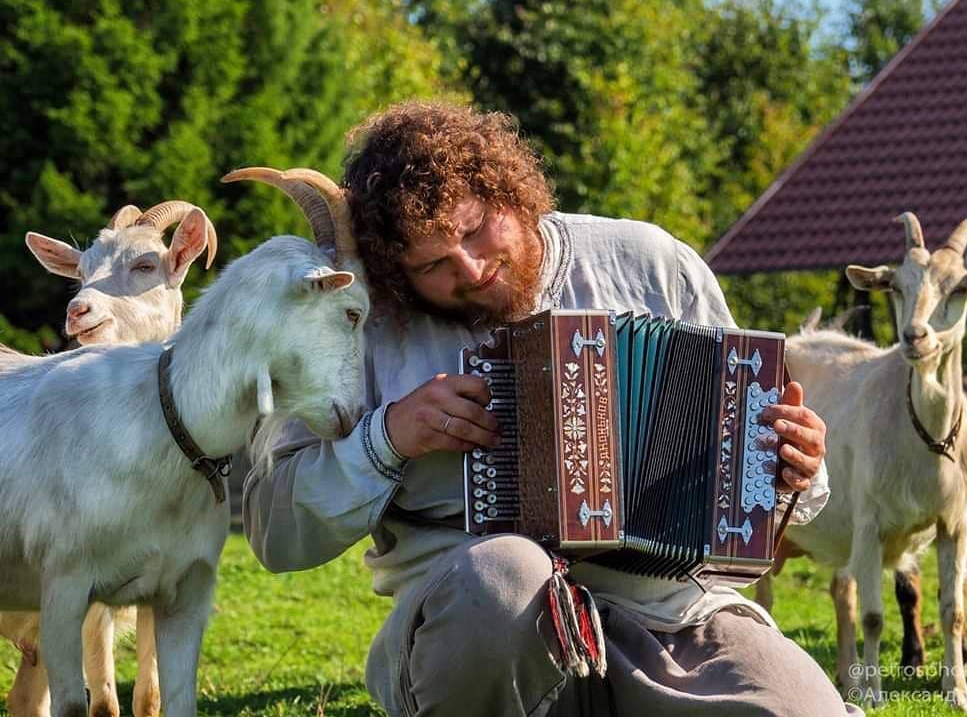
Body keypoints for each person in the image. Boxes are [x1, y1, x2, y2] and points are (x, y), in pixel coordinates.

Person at [243, 101, 860, 717]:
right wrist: (389, 437)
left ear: (508, 190)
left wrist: (791, 467)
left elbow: (771, 481)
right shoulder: (368, 324)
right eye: (432, 264)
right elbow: (274, 531)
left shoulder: (650, 262)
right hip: (485, 631)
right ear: (397, 273)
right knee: (503, 572)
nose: (472, 268)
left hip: (671, 612)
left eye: (475, 228)